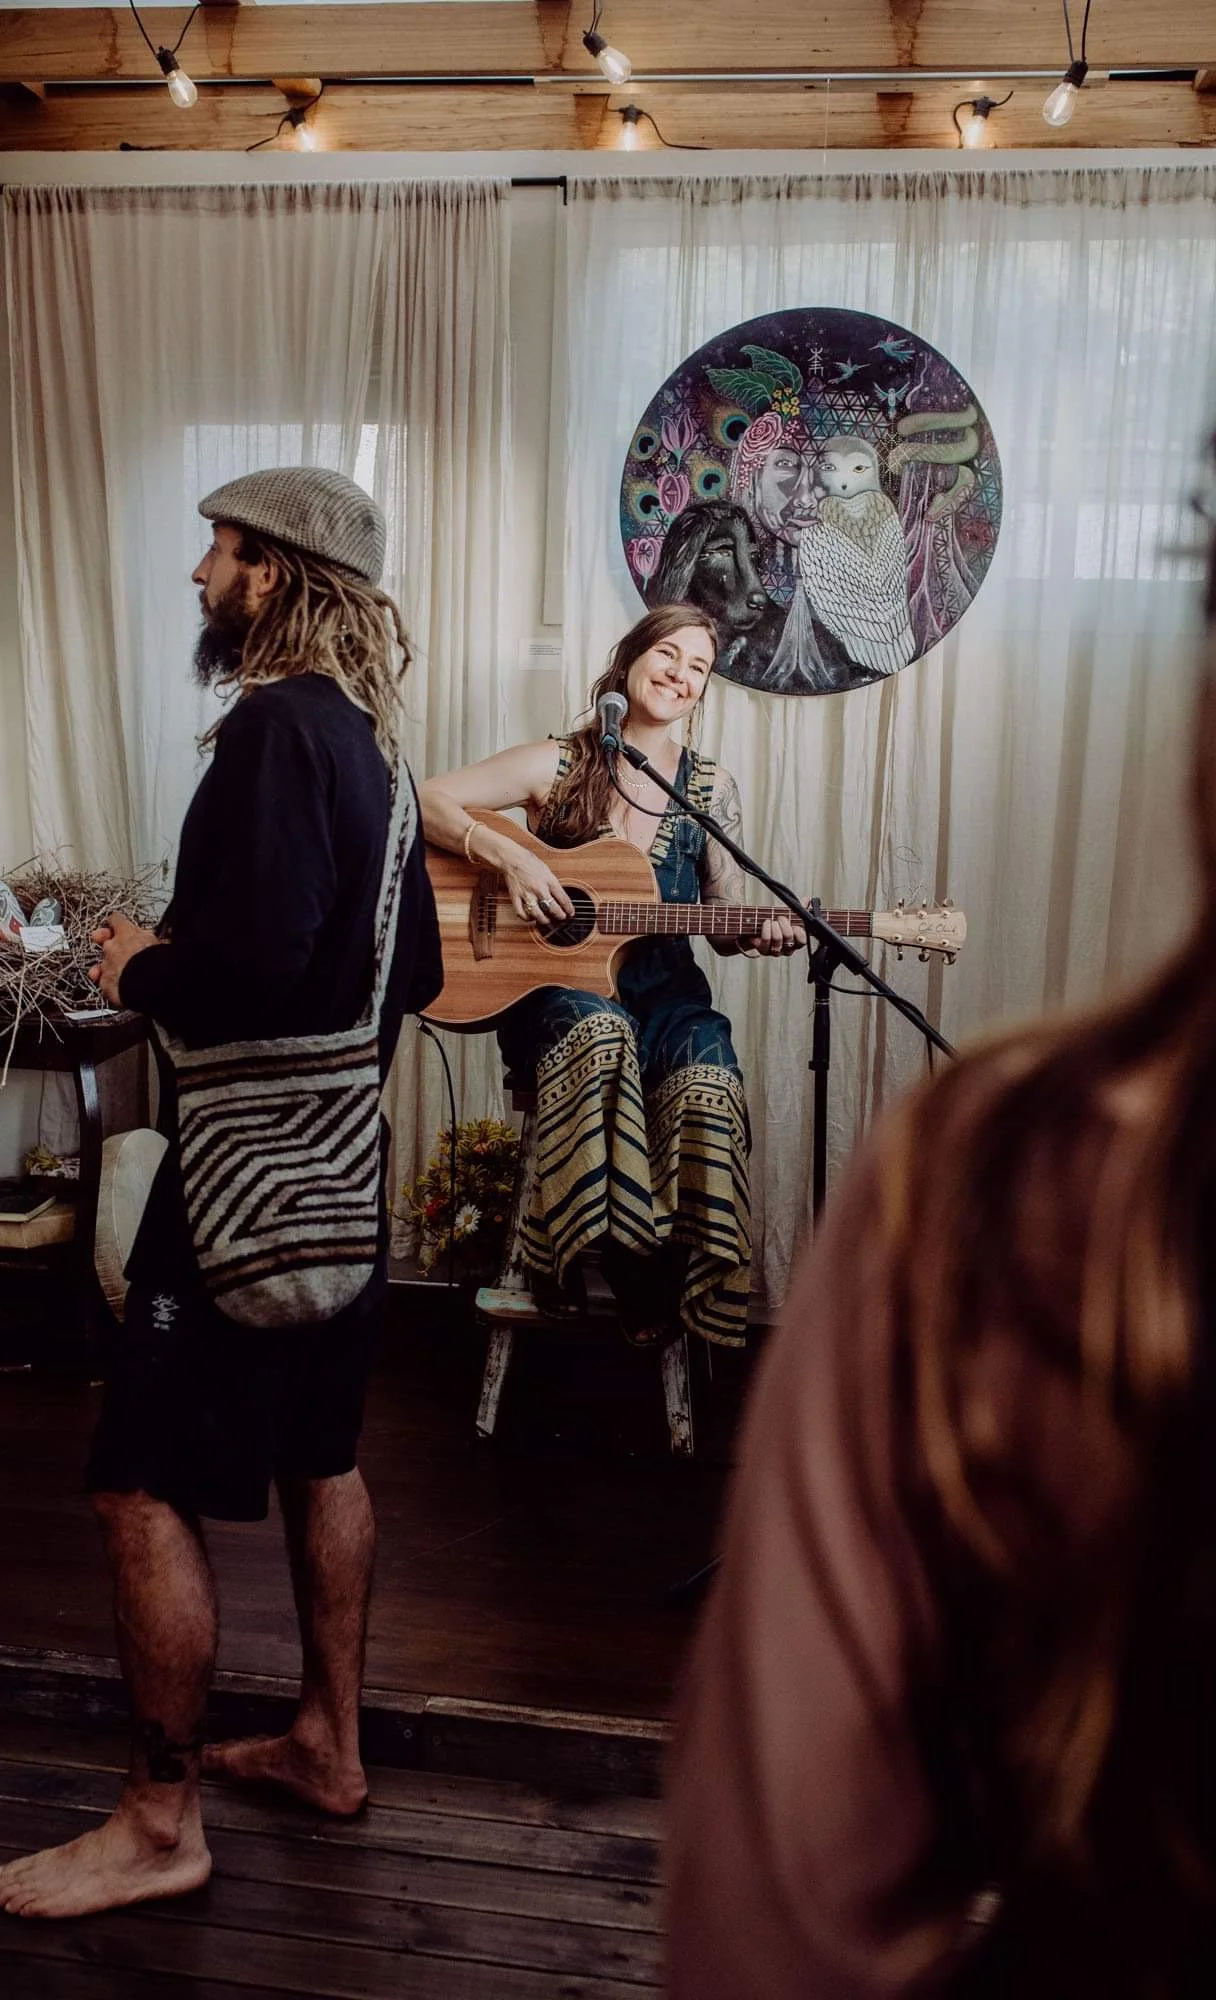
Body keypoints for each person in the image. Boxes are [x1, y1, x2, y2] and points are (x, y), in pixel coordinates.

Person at [666, 210, 1216, 1995]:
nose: (668, 681)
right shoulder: (592, 740)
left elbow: (771, 1939)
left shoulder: (1004, 1206)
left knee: (701, 1099)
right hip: (586, 1013)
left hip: (685, 1010)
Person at [0, 467, 443, 1921]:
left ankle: (157, 1819)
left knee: (134, 1485)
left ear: (280, 572)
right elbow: (415, 981)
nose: (198, 575)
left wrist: (135, 964)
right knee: (325, 1455)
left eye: (222, 550)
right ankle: (330, 1742)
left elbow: (245, 969)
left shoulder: (268, 733)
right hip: (342, 1180)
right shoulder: (374, 746)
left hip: (245, 1181)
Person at [420, 603, 803, 1350]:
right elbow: (424, 798)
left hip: (667, 997)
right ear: (629, 659)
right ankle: (581, 1264)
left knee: (707, 1078)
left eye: (698, 668)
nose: (680, 676)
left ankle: (657, 1276)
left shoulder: (710, 789)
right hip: (557, 998)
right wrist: (513, 857)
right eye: (668, 654)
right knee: (603, 1033)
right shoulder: (557, 763)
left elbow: (718, 917)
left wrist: (758, 933)